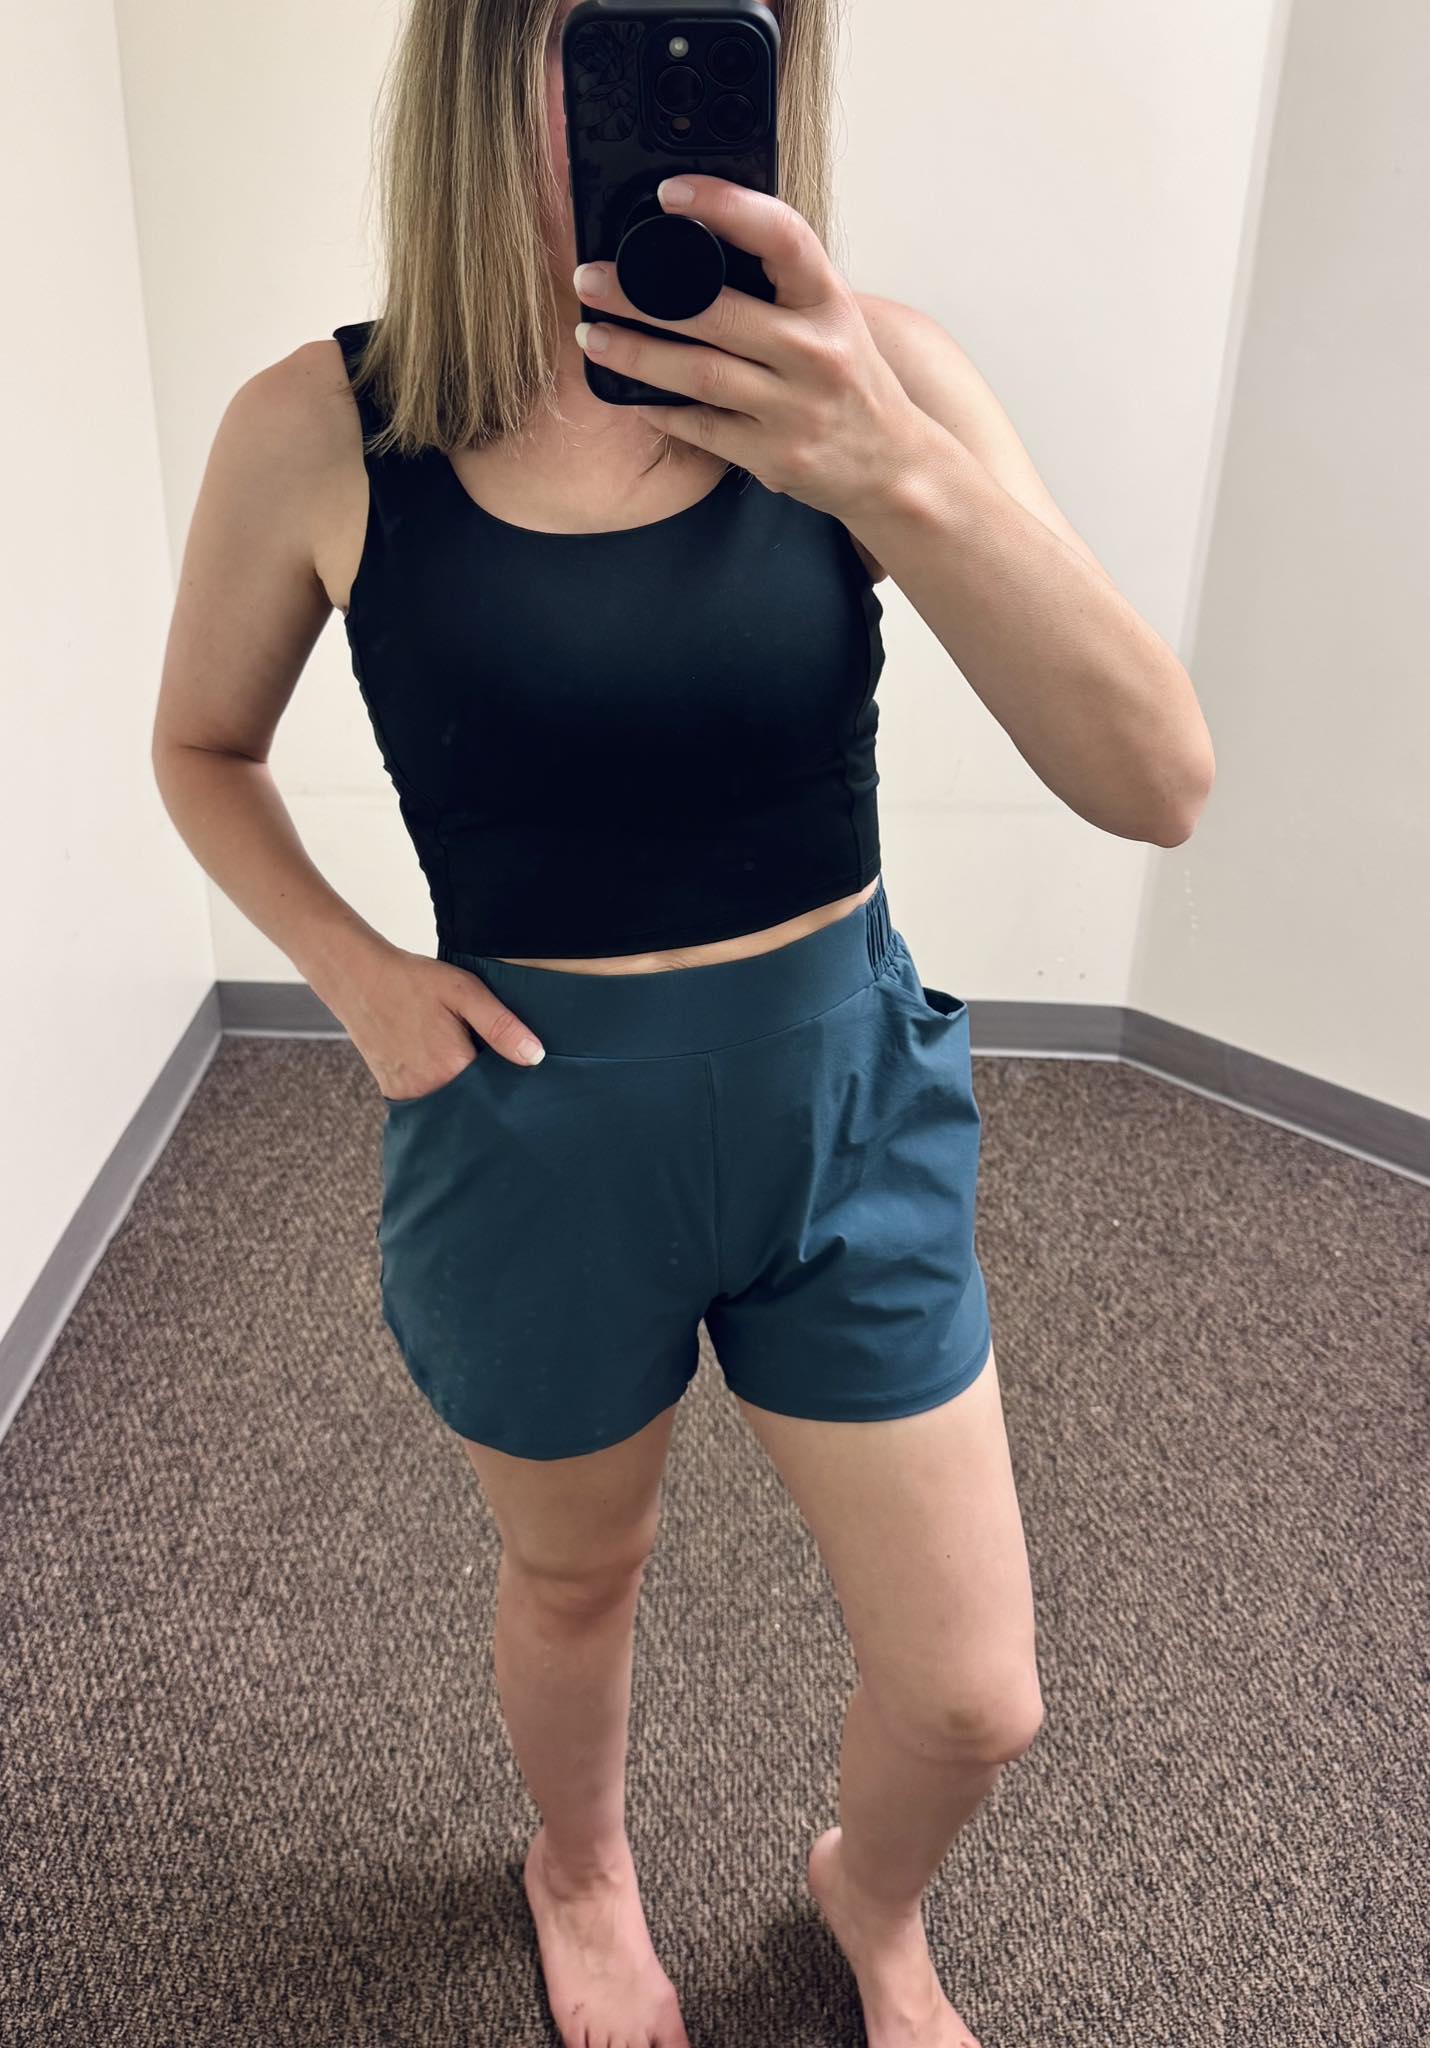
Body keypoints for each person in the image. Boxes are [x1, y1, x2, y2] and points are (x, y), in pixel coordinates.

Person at [150, 3, 1214, 2043]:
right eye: (600, 36)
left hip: (841, 1109)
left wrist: (883, 461)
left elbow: (1153, 783)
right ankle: (579, 1866)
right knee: (580, 1573)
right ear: (488, 63)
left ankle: (866, 1897)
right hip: (534, 1132)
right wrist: (357, 976)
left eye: (720, 30)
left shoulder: (877, 379)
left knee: (975, 1693)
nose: (660, 98)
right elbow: (203, 745)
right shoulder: (323, 426)